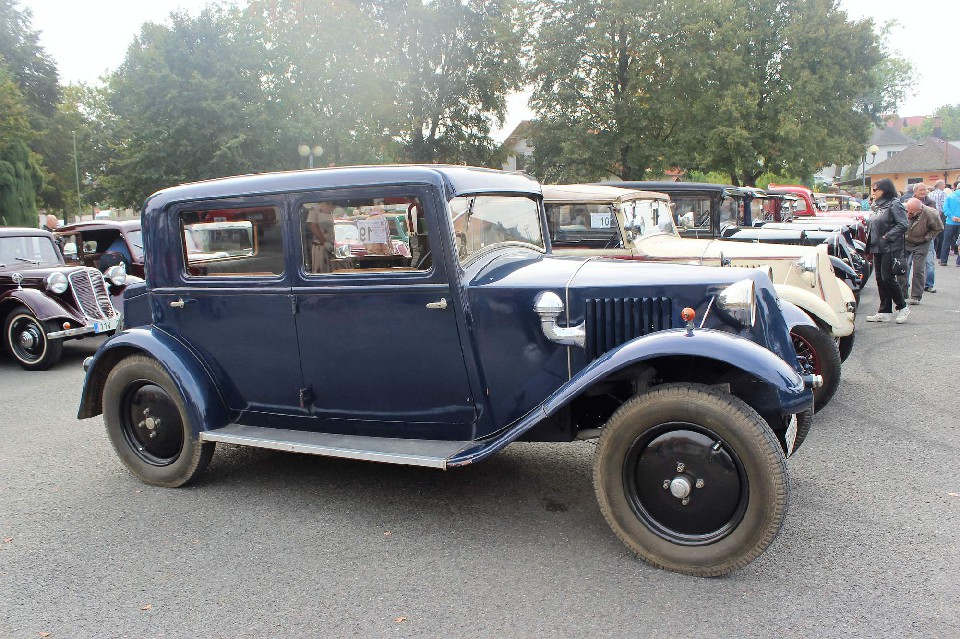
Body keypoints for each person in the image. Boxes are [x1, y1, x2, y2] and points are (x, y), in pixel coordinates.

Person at [866, 178, 910, 324]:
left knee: (888, 278)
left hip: (889, 246)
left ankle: (903, 307)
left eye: (875, 189)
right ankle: (884, 311)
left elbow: (903, 224)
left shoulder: (894, 204)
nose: (872, 192)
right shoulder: (877, 205)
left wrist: (887, 237)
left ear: (884, 190)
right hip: (877, 246)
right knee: (880, 278)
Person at [903, 197, 943, 304]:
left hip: (921, 243)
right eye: (907, 211)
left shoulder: (931, 214)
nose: (908, 214)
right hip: (905, 242)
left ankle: (916, 296)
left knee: (918, 269)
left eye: (912, 212)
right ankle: (902, 293)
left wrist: (927, 237)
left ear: (920, 210)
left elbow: (939, 228)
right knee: (901, 267)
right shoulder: (902, 208)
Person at [306, 201, 338, 273]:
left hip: (336, 247)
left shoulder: (337, 208)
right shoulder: (314, 209)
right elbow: (312, 226)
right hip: (321, 247)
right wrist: (325, 243)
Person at [939, 187, 960, 267]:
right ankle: (959, 262)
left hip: (950, 222)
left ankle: (943, 260)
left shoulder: (950, 196)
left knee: (946, 241)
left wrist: (952, 216)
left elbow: (945, 208)